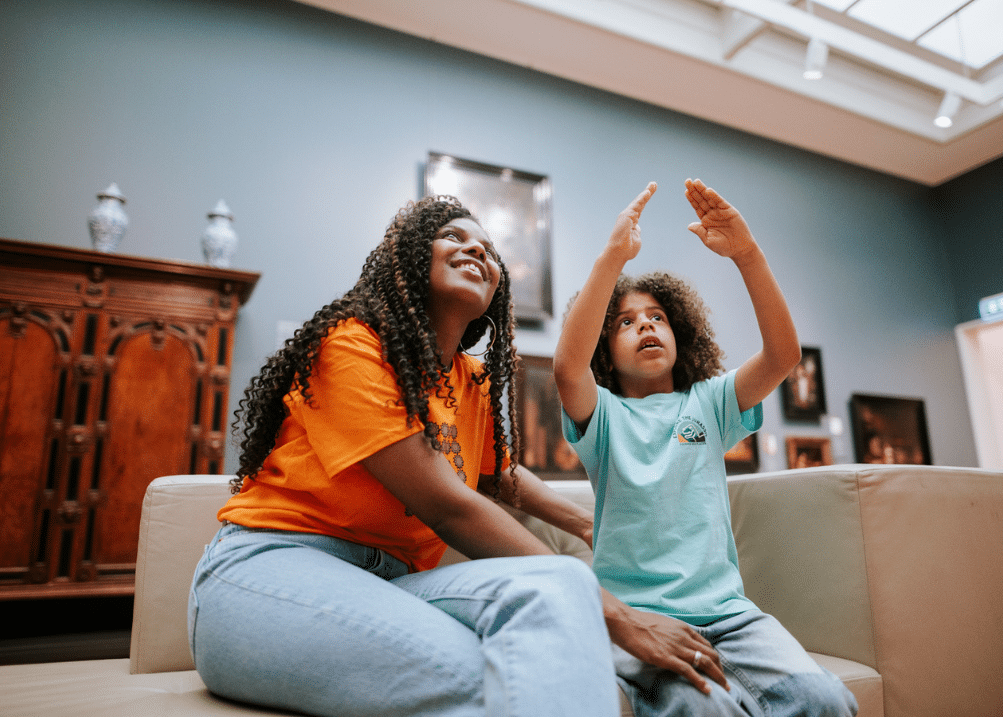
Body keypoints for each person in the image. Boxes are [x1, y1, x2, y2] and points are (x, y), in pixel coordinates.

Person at [187, 194, 724, 717]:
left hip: (393, 579)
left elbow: (498, 477)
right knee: (507, 679)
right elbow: (448, 505)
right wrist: (619, 615)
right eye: (453, 237)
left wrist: (588, 526)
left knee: (557, 588)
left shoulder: (471, 382)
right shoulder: (351, 344)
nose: (477, 252)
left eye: (489, 250)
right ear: (411, 259)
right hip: (272, 565)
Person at [553, 179, 858, 717]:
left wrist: (747, 254)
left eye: (657, 317)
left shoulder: (709, 404)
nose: (645, 324)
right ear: (605, 348)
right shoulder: (602, 416)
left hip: (734, 618)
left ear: (681, 334)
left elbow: (784, 353)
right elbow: (565, 369)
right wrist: (611, 259)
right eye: (625, 322)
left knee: (827, 699)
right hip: (641, 620)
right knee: (706, 710)